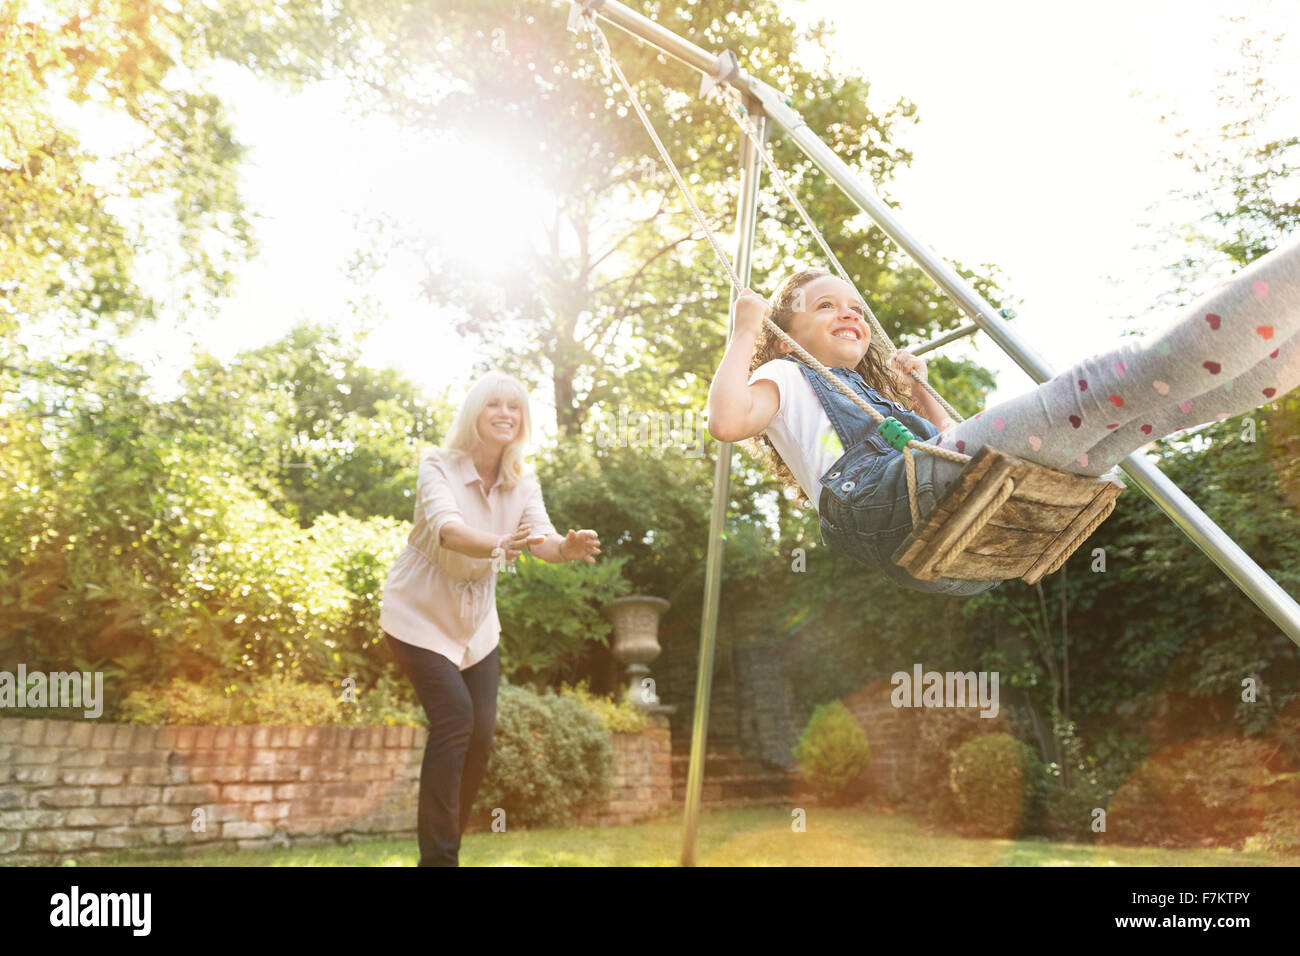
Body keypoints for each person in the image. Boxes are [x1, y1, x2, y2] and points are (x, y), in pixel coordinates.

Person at [707, 234, 1300, 595]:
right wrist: (745, 333)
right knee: (1103, 390)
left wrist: (920, 395)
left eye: (857, 308)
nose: (851, 314)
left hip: (932, 525)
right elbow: (728, 421)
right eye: (826, 305)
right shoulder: (784, 373)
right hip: (883, 507)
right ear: (785, 335)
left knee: (1142, 418)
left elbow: (943, 447)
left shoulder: (872, 396)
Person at [378, 370, 601, 865]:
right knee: (455, 719)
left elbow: (539, 536)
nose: (505, 414)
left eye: (515, 407)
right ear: (474, 413)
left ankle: (444, 850)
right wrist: (501, 544)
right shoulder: (437, 465)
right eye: (493, 405)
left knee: (479, 734)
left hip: (477, 626)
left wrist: (566, 547)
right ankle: (439, 860)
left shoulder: (522, 480)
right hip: (416, 613)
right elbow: (449, 531)